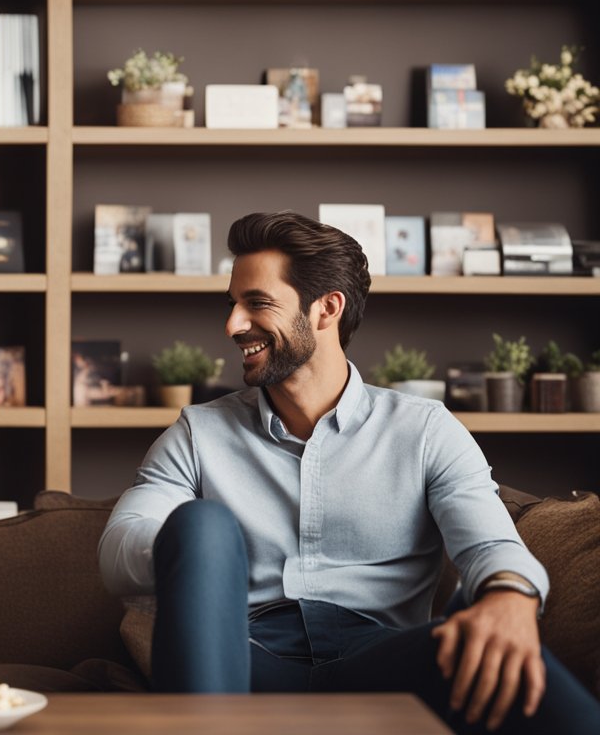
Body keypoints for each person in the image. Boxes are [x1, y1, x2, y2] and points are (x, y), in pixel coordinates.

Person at [98, 211, 600, 734]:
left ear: (327, 309)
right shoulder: (198, 433)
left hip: (384, 661)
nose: (232, 325)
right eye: (232, 305)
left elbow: (489, 541)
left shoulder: (425, 430)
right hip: (241, 661)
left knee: (504, 654)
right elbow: (119, 551)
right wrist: (196, 554)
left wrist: (511, 594)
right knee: (203, 525)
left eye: (258, 303)